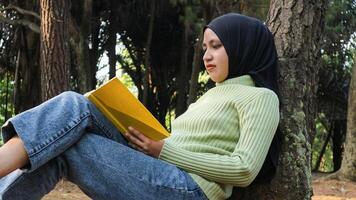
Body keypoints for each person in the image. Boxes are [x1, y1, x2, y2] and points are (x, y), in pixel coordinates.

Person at [0, 13, 280, 200]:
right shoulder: (210, 96)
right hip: (163, 170)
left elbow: (244, 169)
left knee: (69, 145)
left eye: (216, 46)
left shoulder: (260, 98)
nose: (207, 55)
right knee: (76, 105)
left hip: (189, 190)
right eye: (205, 48)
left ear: (243, 47)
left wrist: (163, 149)